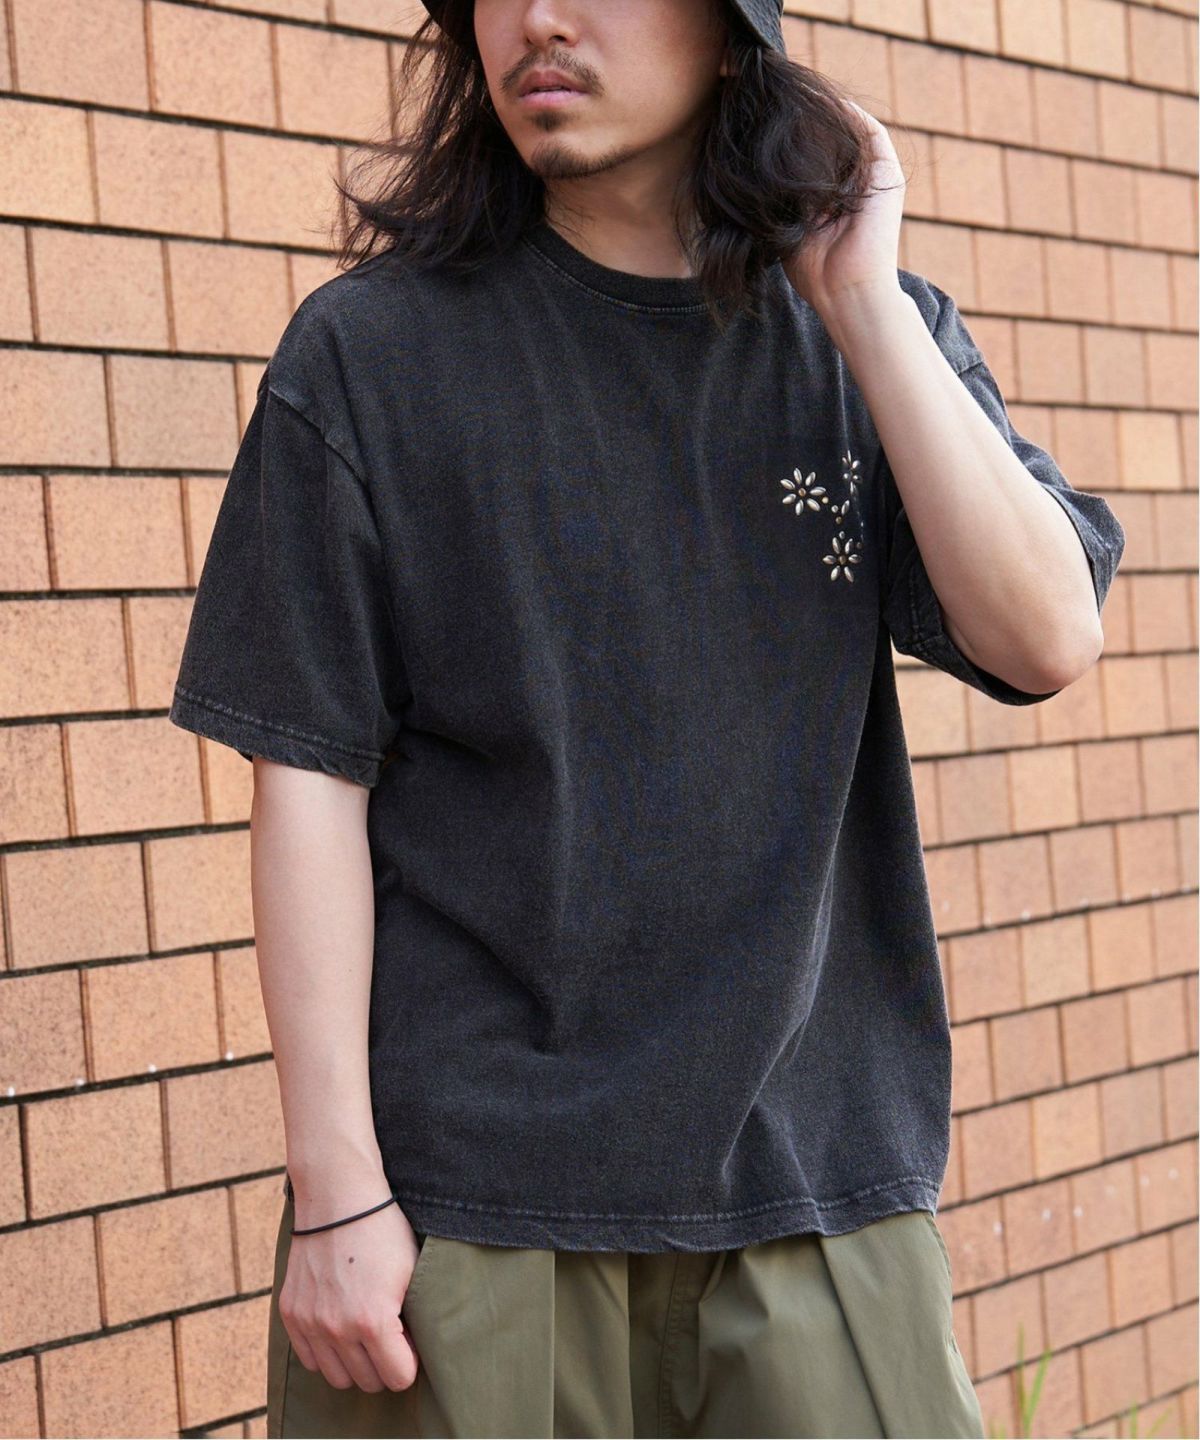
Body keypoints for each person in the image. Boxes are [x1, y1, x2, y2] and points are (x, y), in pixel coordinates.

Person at [169, 0, 1127, 1435]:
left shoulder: (865, 337)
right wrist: (337, 1191)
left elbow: (1045, 638)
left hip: (816, 1190)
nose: (539, 21)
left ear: (733, 33)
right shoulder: (373, 355)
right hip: (470, 1218)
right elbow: (309, 775)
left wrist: (864, 303)